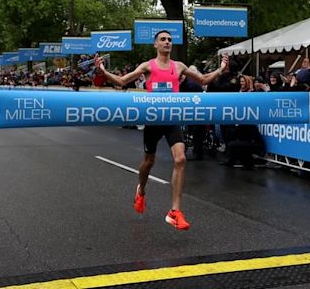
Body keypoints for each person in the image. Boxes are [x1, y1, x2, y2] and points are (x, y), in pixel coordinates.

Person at [94, 30, 228, 230]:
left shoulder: (179, 66)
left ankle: (175, 211)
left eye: (169, 40)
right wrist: (103, 71)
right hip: (153, 119)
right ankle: (141, 189)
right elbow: (123, 81)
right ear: (155, 45)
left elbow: (203, 80)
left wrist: (221, 68)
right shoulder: (148, 66)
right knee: (149, 162)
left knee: (180, 159)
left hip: (172, 118)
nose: (167, 42)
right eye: (163, 40)